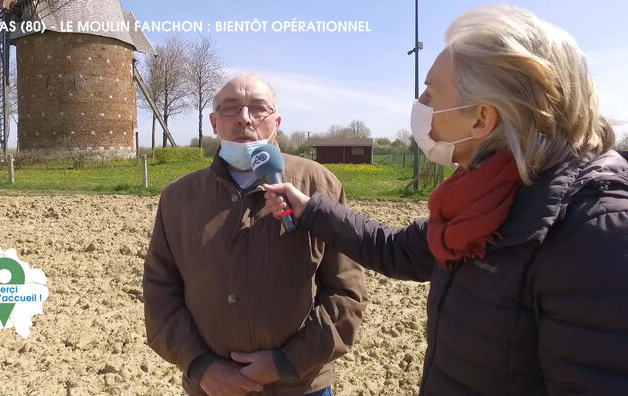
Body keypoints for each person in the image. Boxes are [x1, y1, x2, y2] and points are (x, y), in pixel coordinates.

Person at [264, 5, 628, 395]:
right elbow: (395, 249)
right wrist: (309, 208)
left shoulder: (593, 232)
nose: (421, 108)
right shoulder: (483, 196)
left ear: (481, 119)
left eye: (431, 94)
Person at [143, 74, 367, 396]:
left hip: (301, 387)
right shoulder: (178, 199)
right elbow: (160, 291)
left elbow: (346, 291)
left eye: (258, 109)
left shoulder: (320, 187)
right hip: (208, 389)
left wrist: (285, 363)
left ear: (276, 121)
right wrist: (201, 366)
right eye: (231, 108)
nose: (244, 118)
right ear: (214, 122)